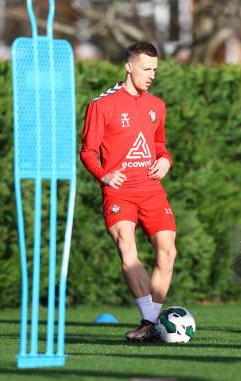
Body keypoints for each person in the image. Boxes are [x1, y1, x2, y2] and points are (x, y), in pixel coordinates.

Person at [80, 41, 177, 342]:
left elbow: (160, 144)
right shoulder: (101, 104)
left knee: (168, 251)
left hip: (151, 189)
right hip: (119, 192)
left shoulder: (156, 106)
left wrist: (166, 159)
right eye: (146, 69)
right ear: (128, 66)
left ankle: (149, 322)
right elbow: (87, 152)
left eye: (155, 70)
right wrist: (104, 174)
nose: (151, 75)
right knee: (128, 251)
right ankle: (151, 322)